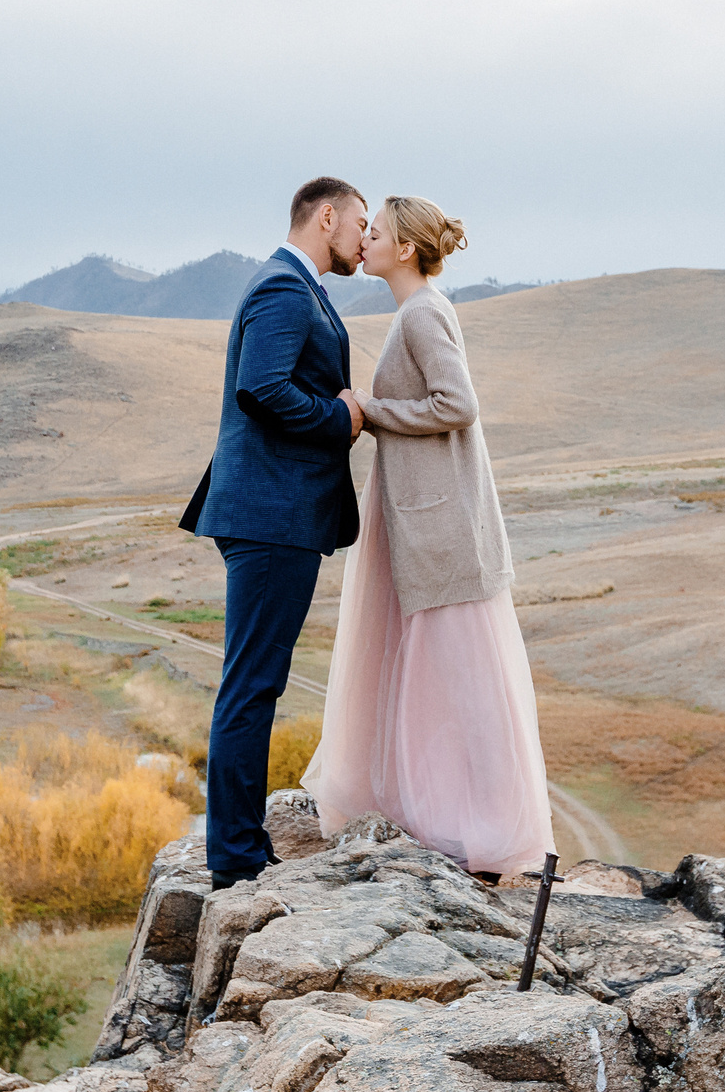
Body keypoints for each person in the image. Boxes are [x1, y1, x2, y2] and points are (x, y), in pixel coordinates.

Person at [304, 195, 553, 881]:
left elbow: (458, 402)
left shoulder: (422, 312)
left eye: (375, 232)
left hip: (440, 523)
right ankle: (437, 811)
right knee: (431, 675)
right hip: (420, 514)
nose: (365, 241)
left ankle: (482, 827)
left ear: (406, 248)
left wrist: (369, 410)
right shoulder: (413, 311)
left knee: (459, 674)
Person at [181, 175, 369, 888]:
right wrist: (339, 419)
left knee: (257, 678)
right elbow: (261, 386)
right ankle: (234, 854)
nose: (362, 236)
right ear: (326, 217)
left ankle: (241, 839)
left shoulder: (298, 287)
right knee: (252, 682)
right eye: (357, 222)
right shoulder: (284, 289)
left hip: (275, 513)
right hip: (270, 513)